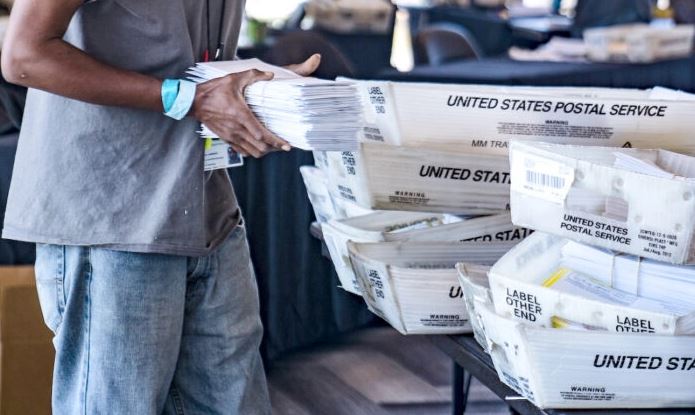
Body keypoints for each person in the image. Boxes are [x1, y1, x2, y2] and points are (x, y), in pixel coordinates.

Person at [0, 0, 320, 413]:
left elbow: (183, 59)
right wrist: (188, 98)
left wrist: (261, 88)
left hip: (207, 212)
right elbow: (25, 56)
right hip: (112, 220)